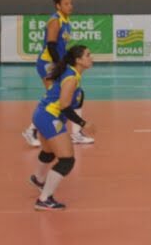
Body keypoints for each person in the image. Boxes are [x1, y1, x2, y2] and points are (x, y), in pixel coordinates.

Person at [22, 0, 94, 147]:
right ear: (58, 5)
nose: (70, 6)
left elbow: (61, 47)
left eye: (71, 3)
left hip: (57, 62)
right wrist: (59, 66)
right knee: (58, 97)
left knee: (75, 94)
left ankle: (75, 132)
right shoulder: (55, 21)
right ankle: (33, 130)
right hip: (48, 63)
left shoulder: (66, 20)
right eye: (66, 4)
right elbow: (51, 46)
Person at [29, 45, 96, 210]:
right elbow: (65, 106)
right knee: (67, 160)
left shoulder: (72, 75)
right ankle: (44, 199)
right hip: (49, 117)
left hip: (42, 114)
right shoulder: (71, 78)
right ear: (78, 60)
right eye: (88, 55)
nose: (91, 58)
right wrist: (83, 124)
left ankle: (38, 179)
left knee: (49, 152)